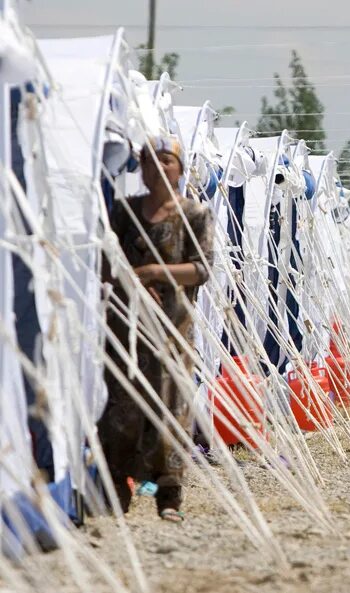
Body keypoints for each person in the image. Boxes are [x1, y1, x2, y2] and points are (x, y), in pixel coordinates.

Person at [98, 135, 215, 523]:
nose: (158, 167)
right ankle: (116, 489)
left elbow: (201, 268)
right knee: (121, 409)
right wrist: (128, 282)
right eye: (149, 160)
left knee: (171, 410)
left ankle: (169, 495)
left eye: (167, 160)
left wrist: (154, 273)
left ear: (180, 170)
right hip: (126, 327)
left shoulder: (193, 215)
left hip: (171, 330)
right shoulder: (123, 212)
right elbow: (106, 261)